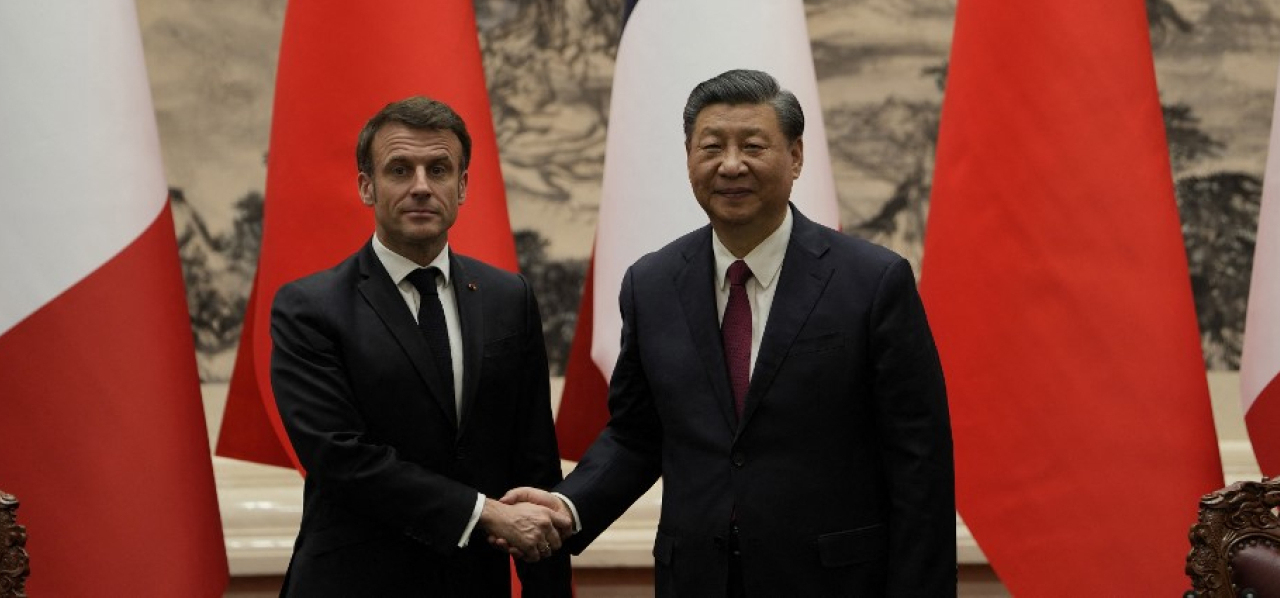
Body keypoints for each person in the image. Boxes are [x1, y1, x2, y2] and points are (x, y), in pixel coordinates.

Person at [505, 69, 955, 596]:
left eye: (754, 145)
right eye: (712, 146)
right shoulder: (651, 285)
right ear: (690, 158)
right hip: (697, 578)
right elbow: (636, 434)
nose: (731, 164)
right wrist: (568, 505)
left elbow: (919, 461)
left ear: (796, 157)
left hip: (835, 580)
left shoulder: (872, 282)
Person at [270, 96, 572, 597]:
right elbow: (341, 458)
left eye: (438, 169)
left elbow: (534, 463)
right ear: (367, 187)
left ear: (463, 185)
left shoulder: (508, 298)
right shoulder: (310, 308)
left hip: (474, 584)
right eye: (399, 170)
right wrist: (483, 513)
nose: (421, 188)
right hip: (354, 584)